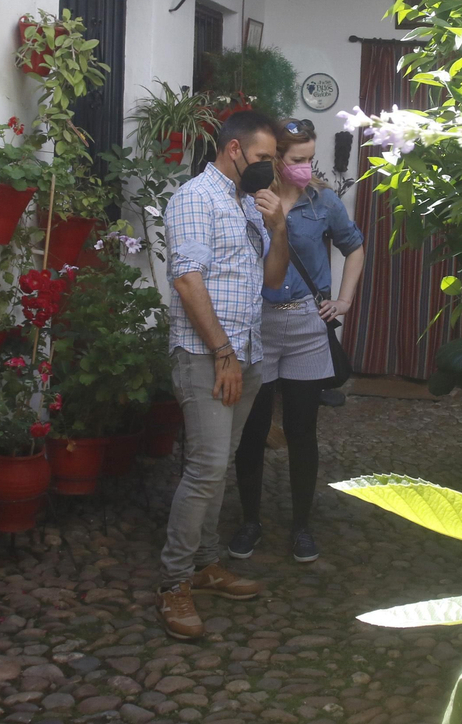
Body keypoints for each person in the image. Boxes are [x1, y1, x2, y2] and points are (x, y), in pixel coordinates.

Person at [157, 109, 290, 639]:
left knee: (221, 463)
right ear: (234, 149)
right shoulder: (195, 198)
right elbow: (188, 281)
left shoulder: (248, 205)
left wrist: (278, 226)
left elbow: (272, 279)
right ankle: (173, 584)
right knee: (206, 467)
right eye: (262, 158)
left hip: (247, 354)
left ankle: (206, 564)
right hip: (209, 357)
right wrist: (223, 354)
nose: (270, 169)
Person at [229, 117, 365, 564]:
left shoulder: (322, 201)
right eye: (297, 159)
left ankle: (302, 527)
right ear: (276, 159)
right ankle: (250, 522)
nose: (306, 167)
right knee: (253, 431)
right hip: (259, 325)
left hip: (307, 326)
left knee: (302, 431)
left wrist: (342, 300)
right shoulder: (250, 198)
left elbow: (355, 246)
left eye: (310, 158)